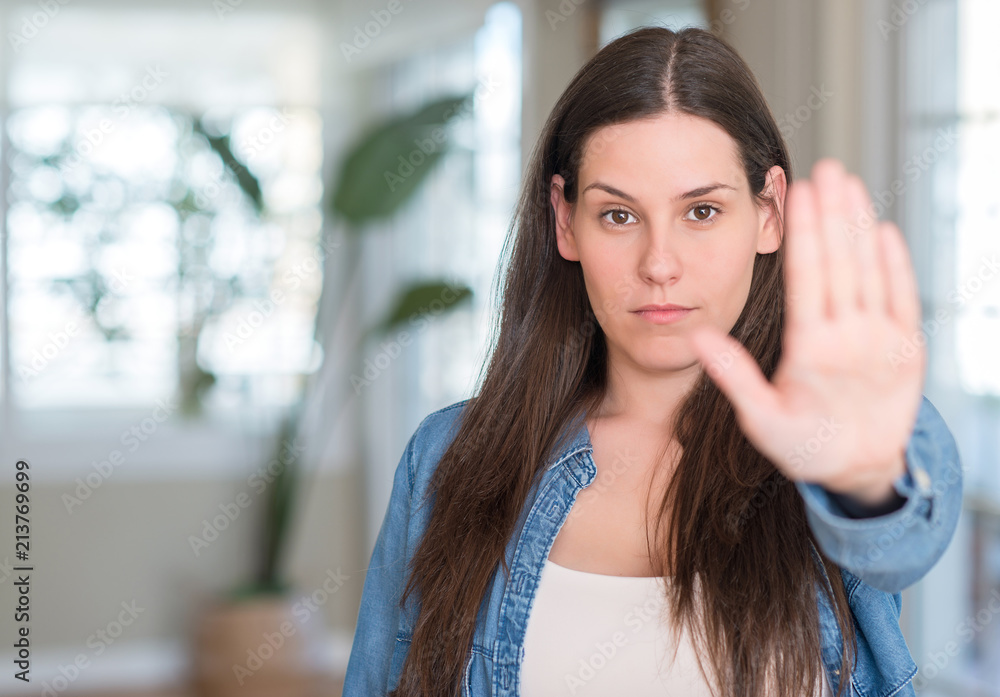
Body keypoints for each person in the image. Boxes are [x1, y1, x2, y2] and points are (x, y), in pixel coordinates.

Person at [342, 24, 963, 697]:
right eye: (618, 215)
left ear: (769, 212)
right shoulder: (443, 457)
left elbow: (898, 540)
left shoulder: (848, 429)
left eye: (701, 210)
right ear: (564, 220)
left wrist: (861, 485)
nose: (659, 264)